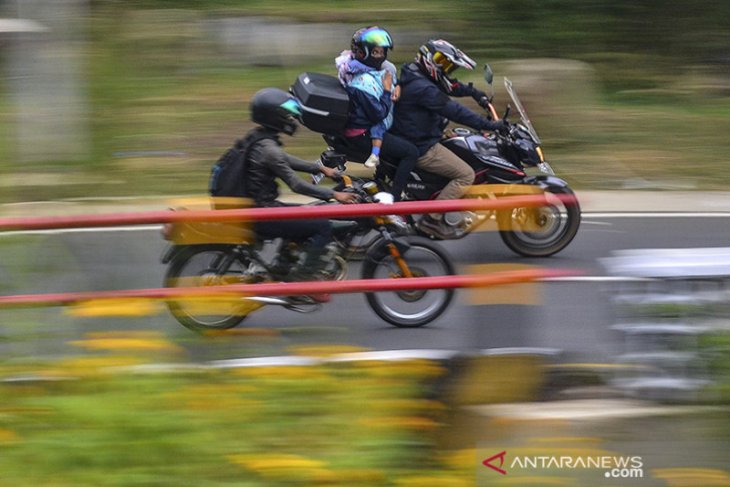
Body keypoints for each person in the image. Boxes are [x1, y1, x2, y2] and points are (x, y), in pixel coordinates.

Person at [215, 87, 357, 287]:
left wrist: (319, 169)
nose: (291, 119)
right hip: (261, 213)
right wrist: (334, 194)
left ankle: (283, 265)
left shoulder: (259, 138)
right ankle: (303, 280)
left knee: (303, 214)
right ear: (274, 117)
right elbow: (297, 185)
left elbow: (285, 159)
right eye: (288, 115)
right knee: (322, 225)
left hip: (254, 207)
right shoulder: (269, 149)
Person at [391, 39, 506, 239]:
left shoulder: (414, 72)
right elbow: (455, 111)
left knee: (462, 141)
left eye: (447, 64)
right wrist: (489, 125)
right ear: (427, 57)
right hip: (421, 145)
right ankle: (431, 220)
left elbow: (450, 86)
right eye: (440, 61)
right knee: (466, 175)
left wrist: (475, 93)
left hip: (418, 134)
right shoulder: (423, 88)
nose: (444, 67)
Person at [334, 26, 418, 201]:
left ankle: (380, 182)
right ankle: (393, 199)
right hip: (363, 133)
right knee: (411, 152)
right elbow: (378, 114)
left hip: (369, 126)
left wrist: (398, 86)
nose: (380, 56)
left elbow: (393, 76)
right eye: (375, 52)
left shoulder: (372, 70)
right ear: (363, 53)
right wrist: (387, 91)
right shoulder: (361, 81)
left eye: (382, 51)